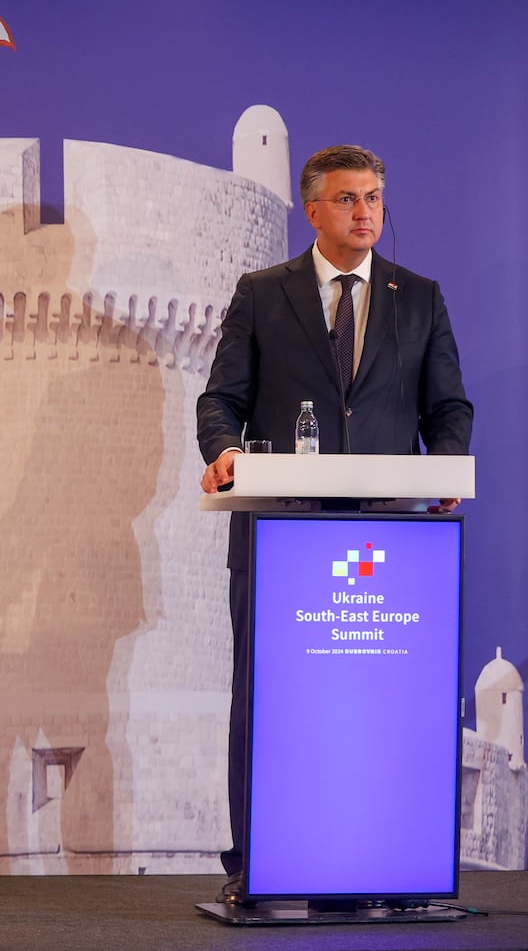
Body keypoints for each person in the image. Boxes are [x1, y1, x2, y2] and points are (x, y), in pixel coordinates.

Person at [195, 144, 472, 902]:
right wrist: (222, 452)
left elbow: (449, 409)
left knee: (383, 705)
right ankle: (255, 863)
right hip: (281, 538)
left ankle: (390, 862)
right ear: (312, 209)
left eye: (375, 197)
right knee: (266, 702)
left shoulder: (418, 297)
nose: (366, 212)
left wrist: (444, 469)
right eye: (349, 199)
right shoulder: (262, 293)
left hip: (388, 540)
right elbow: (220, 402)